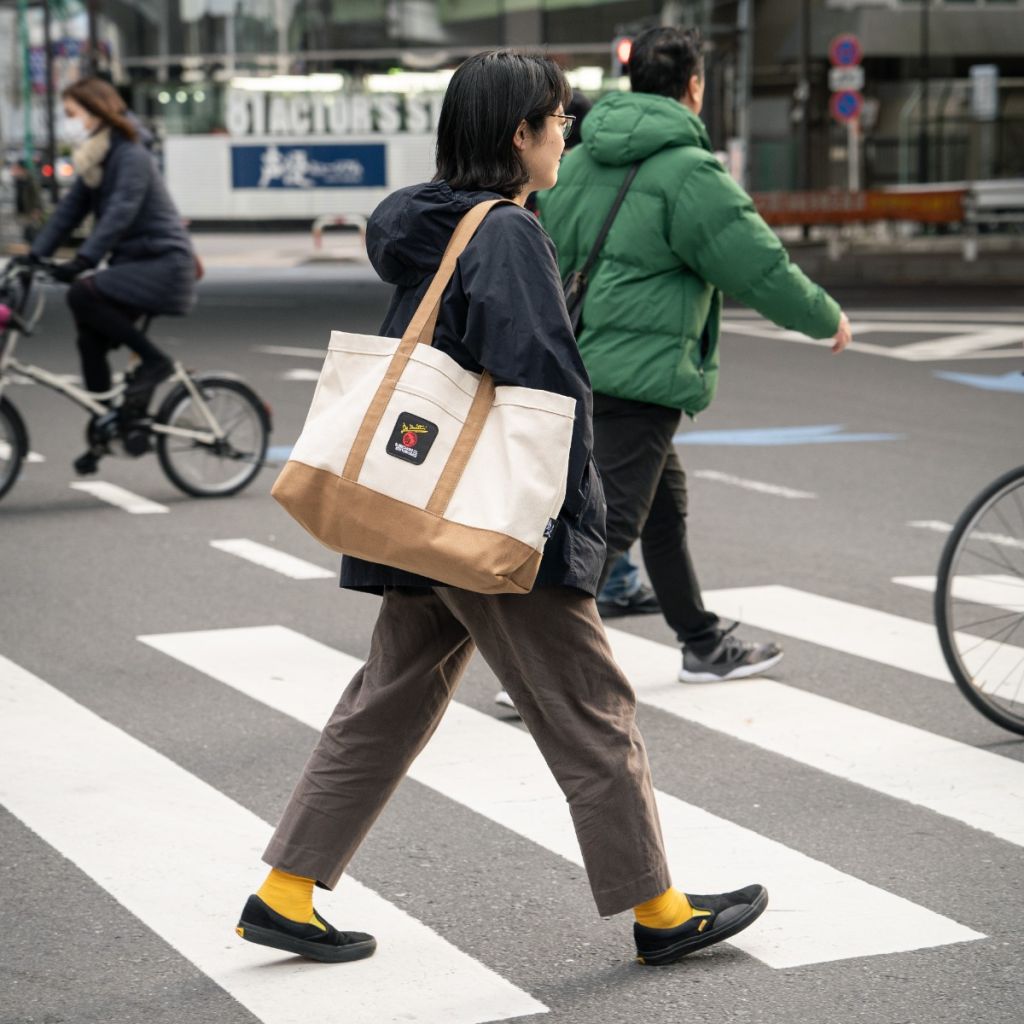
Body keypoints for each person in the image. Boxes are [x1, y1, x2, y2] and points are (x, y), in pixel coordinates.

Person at [235, 49, 767, 969]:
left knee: (387, 703)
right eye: (557, 120)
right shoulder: (508, 232)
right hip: (489, 519)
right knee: (591, 704)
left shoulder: (430, 220)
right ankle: (659, 909)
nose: (567, 134)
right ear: (518, 133)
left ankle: (285, 891)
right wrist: (571, 518)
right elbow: (543, 382)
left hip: (420, 510)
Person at [537, 27, 852, 683]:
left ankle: (700, 642)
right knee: (615, 520)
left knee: (663, 506)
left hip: (581, 358)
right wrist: (824, 318)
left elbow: (547, 250)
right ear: (695, 87)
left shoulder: (580, 158)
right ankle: (543, 669)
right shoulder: (689, 171)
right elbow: (757, 266)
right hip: (642, 373)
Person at [28, 77, 197, 474]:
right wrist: (34, 257)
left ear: (96, 110)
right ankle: (108, 426)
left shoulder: (130, 154)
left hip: (165, 265)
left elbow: (121, 210)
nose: (70, 123)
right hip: (136, 264)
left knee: (83, 293)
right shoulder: (98, 157)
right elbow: (69, 212)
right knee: (89, 340)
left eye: (72, 114)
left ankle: (155, 363)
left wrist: (85, 260)